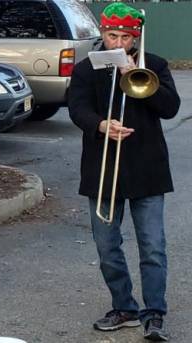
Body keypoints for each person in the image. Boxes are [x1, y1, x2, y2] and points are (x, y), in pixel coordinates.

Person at [68, 3, 180, 341]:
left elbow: (171, 108)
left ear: (136, 37)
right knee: (107, 246)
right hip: (102, 167)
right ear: (103, 33)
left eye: (126, 37)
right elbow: (77, 108)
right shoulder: (88, 68)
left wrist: (137, 74)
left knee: (153, 247)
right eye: (112, 35)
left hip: (147, 168)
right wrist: (101, 124)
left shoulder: (155, 64)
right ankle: (124, 307)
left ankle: (154, 313)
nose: (118, 43)